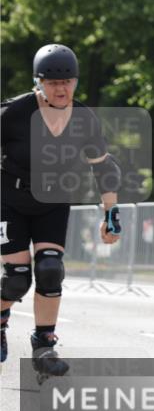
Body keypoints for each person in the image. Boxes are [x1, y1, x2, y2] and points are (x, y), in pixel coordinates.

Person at [1, 44, 122, 380]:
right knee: (16, 281)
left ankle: (44, 344)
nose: (61, 88)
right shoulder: (13, 113)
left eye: (67, 81)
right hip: (9, 201)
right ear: (38, 82)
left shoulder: (84, 119)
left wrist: (110, 213)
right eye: (52, 82)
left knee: (51, 270)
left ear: (76, 82)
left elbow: (104, 168)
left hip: (53, 202)